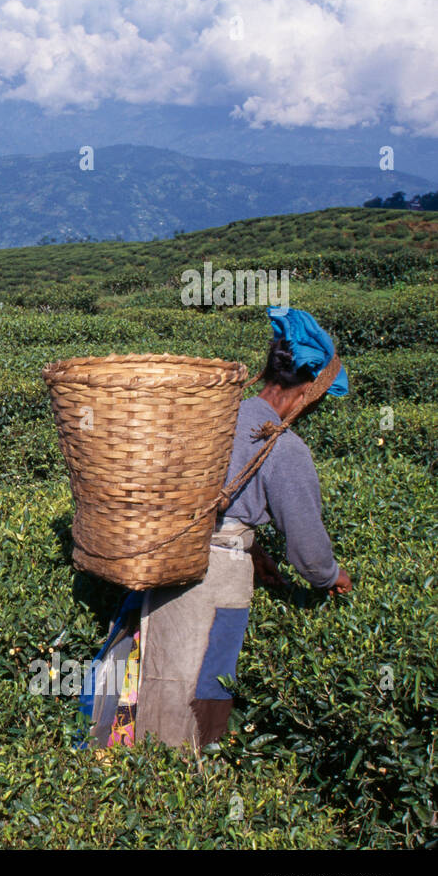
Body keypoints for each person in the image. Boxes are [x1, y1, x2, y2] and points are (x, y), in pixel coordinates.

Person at [93, 307, 351, 750]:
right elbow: (309, 556)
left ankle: (118, 762)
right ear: (308, 388)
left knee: (147, 660)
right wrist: (333, 578)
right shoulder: (285, 448)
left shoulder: (214, 412)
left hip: (165, 558)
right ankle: (180, 780)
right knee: (200, 683)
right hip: (213, 580)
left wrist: (257, 553)